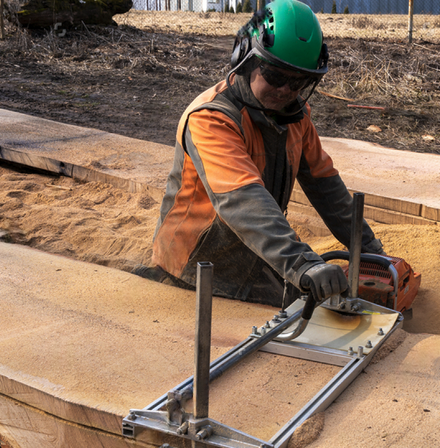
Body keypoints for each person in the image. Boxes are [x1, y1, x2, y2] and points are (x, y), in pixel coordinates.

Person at [136, 0, 383, 308]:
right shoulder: (211, 119)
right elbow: (243, 200)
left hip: (255, 256)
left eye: (298, 81)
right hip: (192, 268)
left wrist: (372, 253)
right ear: (246, 59)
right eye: (275, 76)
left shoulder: (296, 117)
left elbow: (328, 190)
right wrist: (302, 264)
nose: (285, 90)